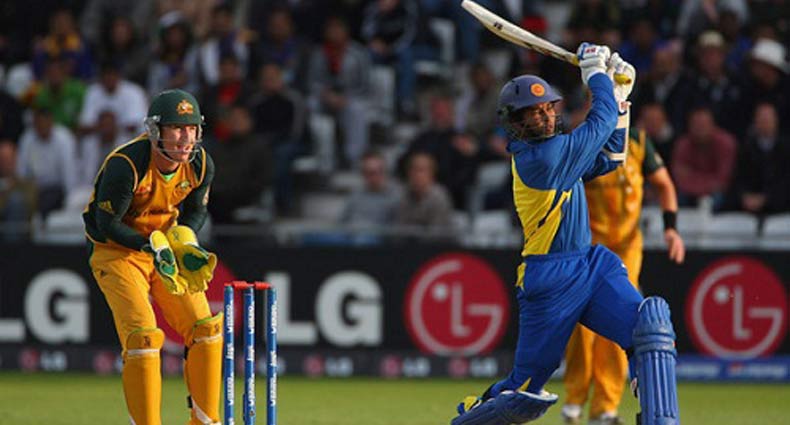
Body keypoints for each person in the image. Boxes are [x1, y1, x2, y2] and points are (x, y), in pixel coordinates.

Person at [451, 44, 680, 425]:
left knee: (649, 327)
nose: (544, 117)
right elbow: (599, 124)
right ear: (515, 122)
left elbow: (611, 157)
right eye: (533, 112)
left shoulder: (561, 153)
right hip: (550, 278)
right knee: (523, 392)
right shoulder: (542, 159)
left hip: (590, 263)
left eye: (547, 109)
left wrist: (619, 97)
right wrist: (596, 76)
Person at [82, 89, 220, 425]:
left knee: (205, 329)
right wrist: (149, 247)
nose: (185, 138)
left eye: (191, 129)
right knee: (143, 337)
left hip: (163, 248)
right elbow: (107, 223)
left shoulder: (200, 164)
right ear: (156, 130)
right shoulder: (127, 164)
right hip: (116, 252)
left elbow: (195, 212)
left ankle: (205, 421)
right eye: (177, 128)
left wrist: (184, 240)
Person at [562, 127, 686, 424]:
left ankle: (605, 407)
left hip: (626, 247)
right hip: (588, 246)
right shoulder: (585, 136)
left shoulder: (639, 141)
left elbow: (664, 184)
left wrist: (671, 228)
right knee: (581, 325)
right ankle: (575, 399)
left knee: (623, 322)